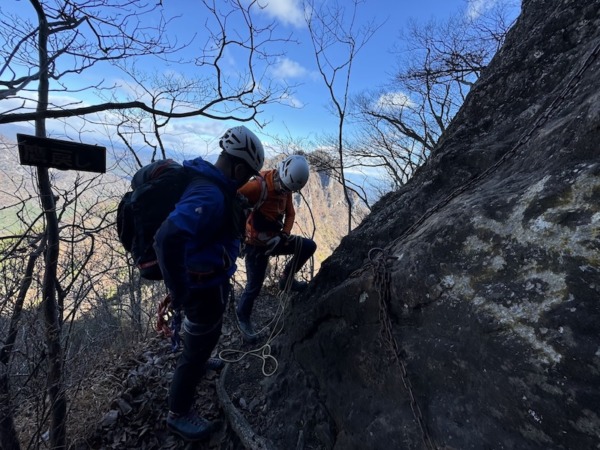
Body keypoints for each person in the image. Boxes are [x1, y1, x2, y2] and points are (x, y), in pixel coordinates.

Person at [153, 125, 264, 441]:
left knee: (203, 337)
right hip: (201, 287)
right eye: (248, 174)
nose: (248, 180)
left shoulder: (211, 185)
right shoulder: (210, 194)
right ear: (239, 167)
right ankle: (178, 414)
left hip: (205, 281)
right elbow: (167, 237)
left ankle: (199, 361)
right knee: (196, 350)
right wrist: (179, 292)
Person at [236, 154, 317, 343]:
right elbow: (233, 203)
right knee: (254, 287)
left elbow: (290, 214)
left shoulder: (286, 187)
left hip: (275, 239)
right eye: (284, 188)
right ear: (280, 173)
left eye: (289, 190)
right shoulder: (257, 186)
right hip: (255, 245)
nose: (285, 192)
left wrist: (284, 235)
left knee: (308, 246)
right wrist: (239, 238)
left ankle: (286, 280)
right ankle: (242, 316)